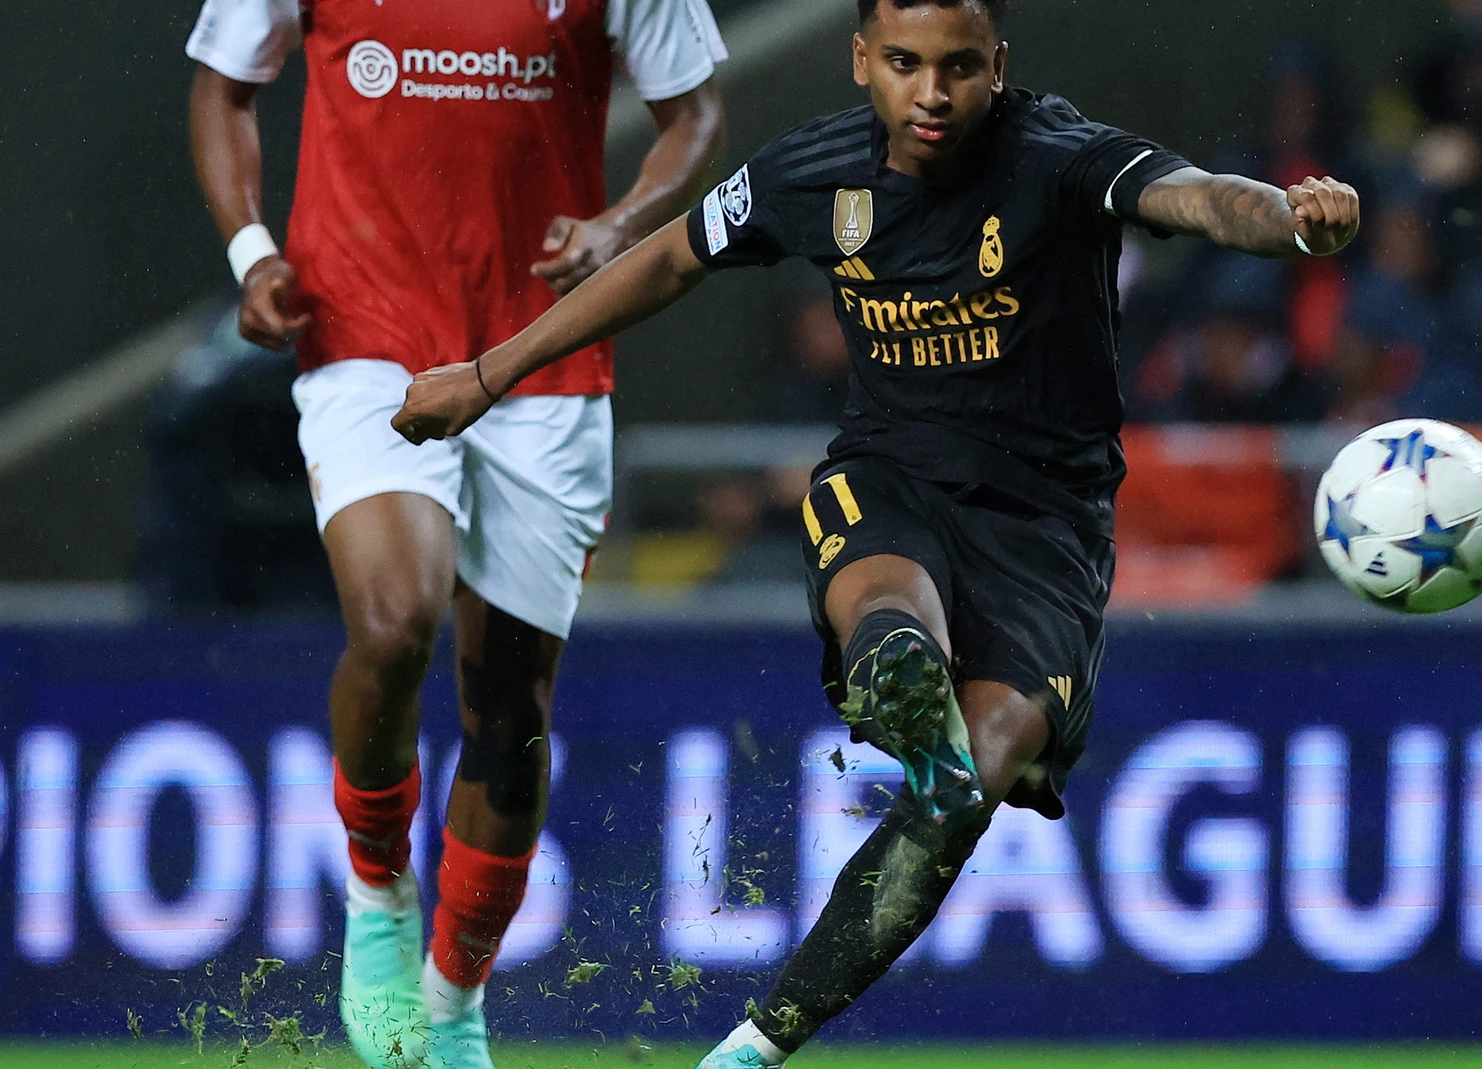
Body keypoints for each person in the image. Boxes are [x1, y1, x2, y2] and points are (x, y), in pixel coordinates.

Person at [390, 0, 1358, 1063]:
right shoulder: (816, 172)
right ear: (862, 60)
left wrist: (1288, 216)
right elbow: (669, 259)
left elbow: (1200, 200)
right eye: (903, 63)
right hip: (890, 482)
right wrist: (490, 374)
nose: (931, 95)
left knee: (959, 792)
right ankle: (895, 662)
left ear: (999, 66)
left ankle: (753, 1045)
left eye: (957, 68)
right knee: (898, 624)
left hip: (1047, 538)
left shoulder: (1056, 157)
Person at [184, 1, 728, 1065]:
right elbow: (222, 82)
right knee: (395, 625)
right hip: (363, 327)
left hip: (547, 355)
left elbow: (695, 111)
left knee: (512, 713)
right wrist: (253, 251)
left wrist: (624, 221)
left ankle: (453, 1004)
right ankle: (378, 886)